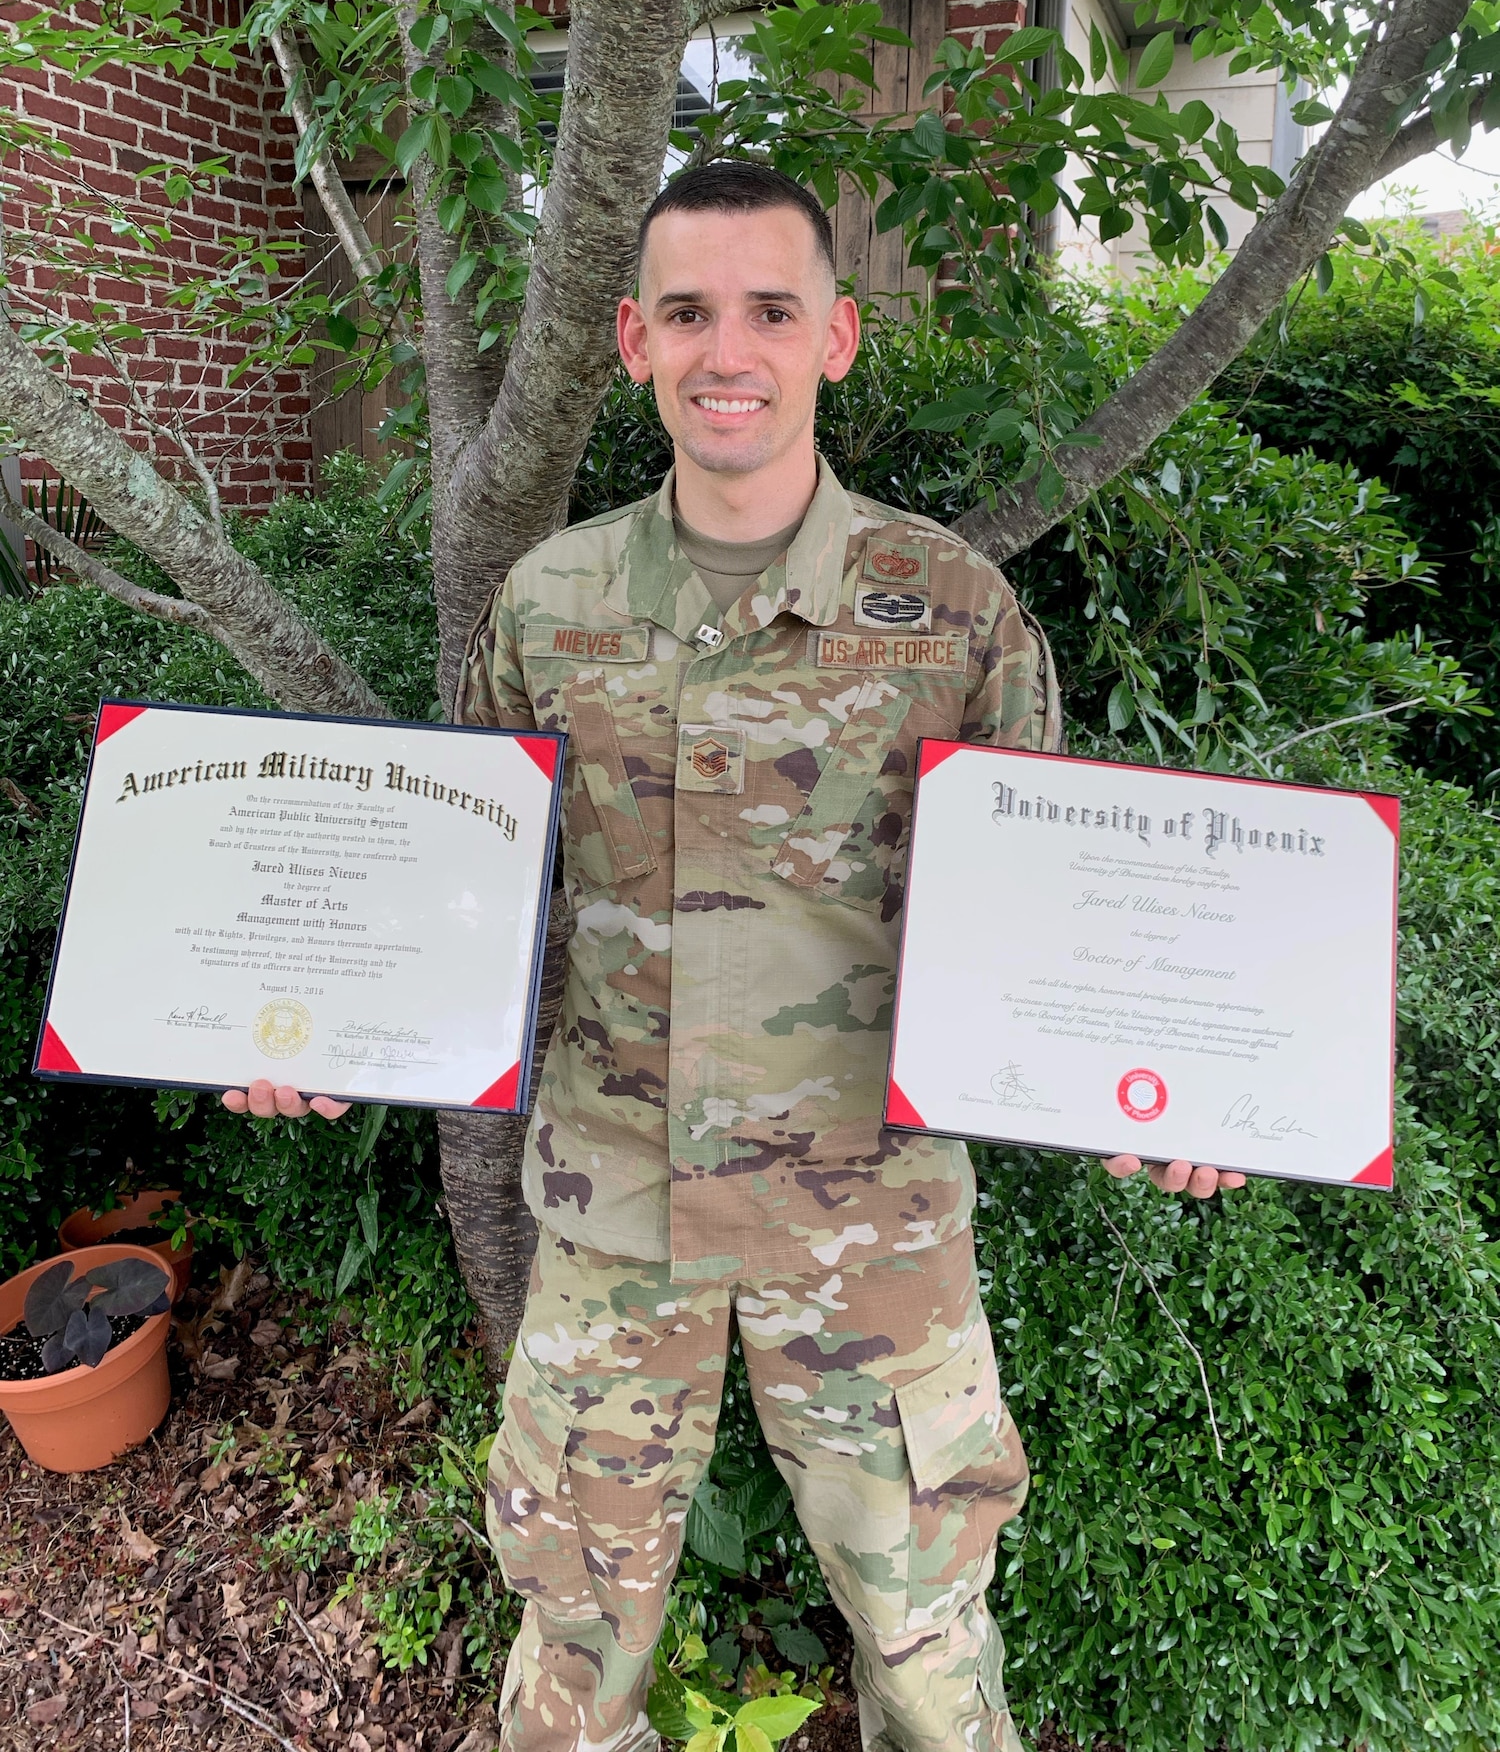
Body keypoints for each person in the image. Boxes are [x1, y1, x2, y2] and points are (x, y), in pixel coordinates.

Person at [226, 162, 1245, 1752]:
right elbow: (460, 905)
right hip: (614, 1219)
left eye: (772, 310)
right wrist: (315, 1021)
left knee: (927, 1649)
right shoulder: (546, 607)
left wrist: (1175, 1085)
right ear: (632, 338)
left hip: (873, 1229)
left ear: (837, 335)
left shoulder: (953, 613)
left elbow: (1067, 926)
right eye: (690, 312)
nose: (730, 351)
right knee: (572, 1656)